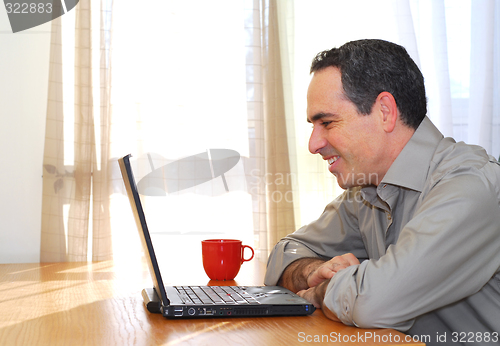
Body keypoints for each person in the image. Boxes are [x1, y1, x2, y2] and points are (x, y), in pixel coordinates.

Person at [264, 39, 500, 345]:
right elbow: (283, 255)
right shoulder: (367, 191)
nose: (313, 144)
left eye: (327, 122)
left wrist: (323, 289)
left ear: (385, 111)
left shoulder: (470, 184)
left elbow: (373, 303)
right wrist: (313, 270)